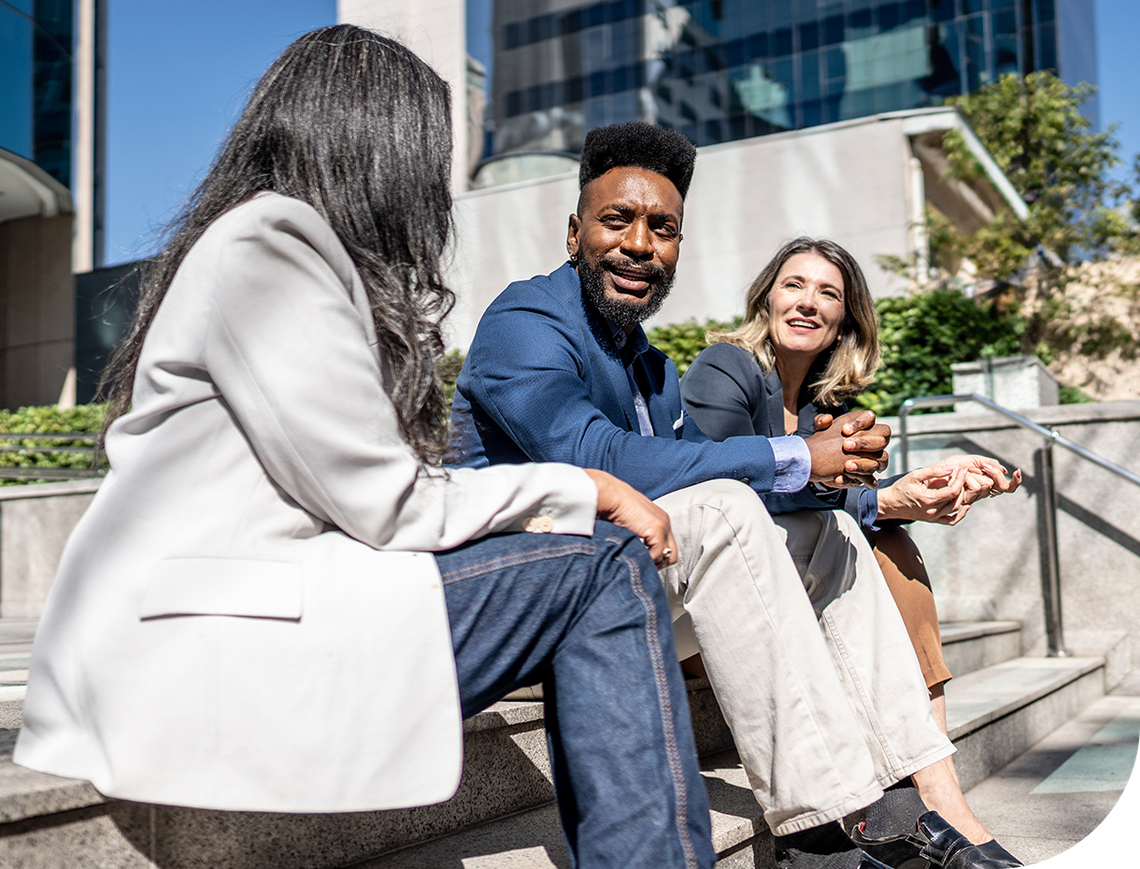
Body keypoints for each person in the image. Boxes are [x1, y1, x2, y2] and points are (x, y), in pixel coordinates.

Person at [13, 28, 717, 869]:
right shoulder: (269, 244)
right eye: (428, 155)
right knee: (600, 564)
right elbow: (388, 500)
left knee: (589, 562)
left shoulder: (281, 250)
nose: (435, 188)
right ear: (377, 144)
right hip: (213, 639)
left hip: (269, 601)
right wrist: (584, 487)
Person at [450, 121, 1012, 869]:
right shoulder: (527, 319)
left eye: (664, 229)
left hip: (626, 580)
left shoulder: (654, 369)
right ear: (573, 232)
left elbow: (700, 479)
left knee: (830, 536)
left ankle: (907, 792)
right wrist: (795, 453)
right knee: (725, 506)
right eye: (618, 220)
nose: (641, 245)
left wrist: (855, 488)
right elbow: (592, 454)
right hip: (521, 600)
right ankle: (820, 830)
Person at [680, 237, 1023, 867]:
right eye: (794, 285)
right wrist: (882, 502)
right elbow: (718, 492)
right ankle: (922, 794)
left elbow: (848, 498)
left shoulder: (822, 404)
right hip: (714, 602)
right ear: (767, 296)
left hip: (790, 586)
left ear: (847, 321)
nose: (808, 303)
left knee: (891, 542)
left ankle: (928, 782)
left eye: (829, 294)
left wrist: (922, 487)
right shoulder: (724, 369)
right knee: (859, 531)